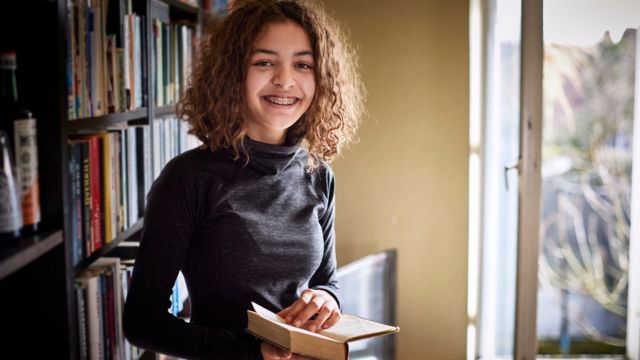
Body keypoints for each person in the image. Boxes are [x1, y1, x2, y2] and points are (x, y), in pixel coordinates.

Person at [123, 0, 365, 359]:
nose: (285, 80)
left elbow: (326, 282)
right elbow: (141, 322)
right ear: (233, 72)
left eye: (303, 64)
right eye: (265, 62)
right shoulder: (188, 178)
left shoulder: (319, 174)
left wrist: (326, 298)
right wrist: (252, 354)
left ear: (321, 78)